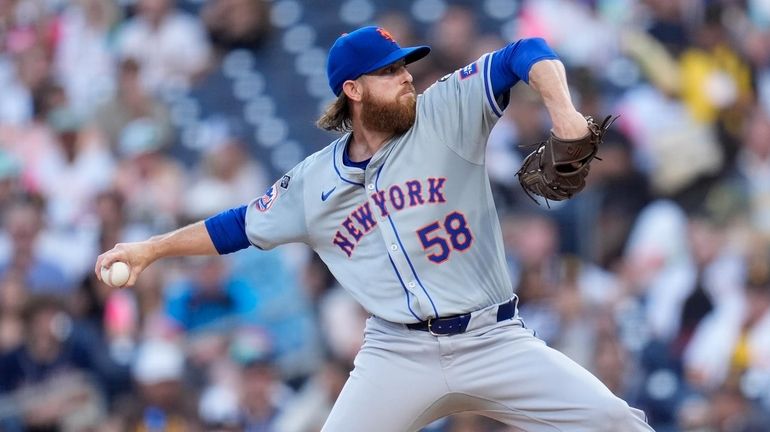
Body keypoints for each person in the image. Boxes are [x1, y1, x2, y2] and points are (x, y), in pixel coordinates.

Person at [96, 25, 654, 431]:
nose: (406, 77)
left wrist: (562, 110)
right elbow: (237, 225)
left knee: (617, 424)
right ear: (353, 90)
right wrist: (151, 248)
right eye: (389, 71)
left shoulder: (445, 111)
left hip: (494, 338)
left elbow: (526, 53)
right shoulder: (313, 183)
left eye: (405, 65)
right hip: (398, 354)